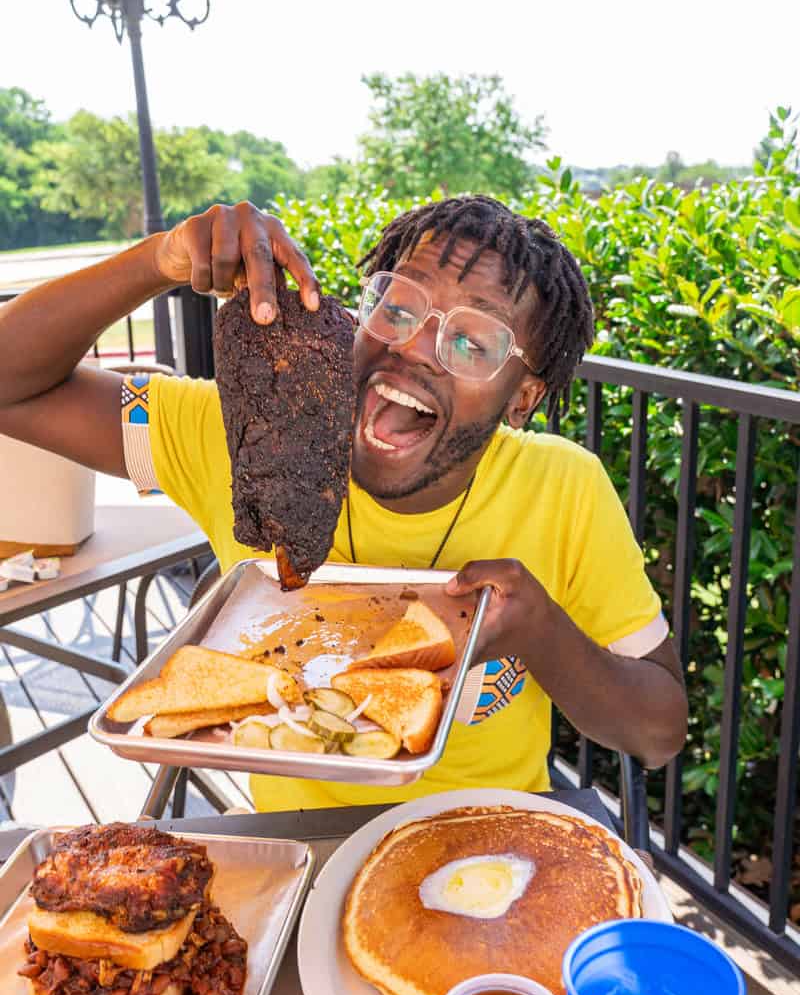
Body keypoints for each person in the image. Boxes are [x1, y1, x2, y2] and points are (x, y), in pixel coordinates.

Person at [0, 195, 687, 811]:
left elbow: (659, 730)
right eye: (398, 307)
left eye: (473, 342)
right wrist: (158, 261)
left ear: (523, 398)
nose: (414, 347)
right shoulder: (236, 428)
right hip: (295, 853)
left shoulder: (564, 488)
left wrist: (539, 631)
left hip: (495, 854)